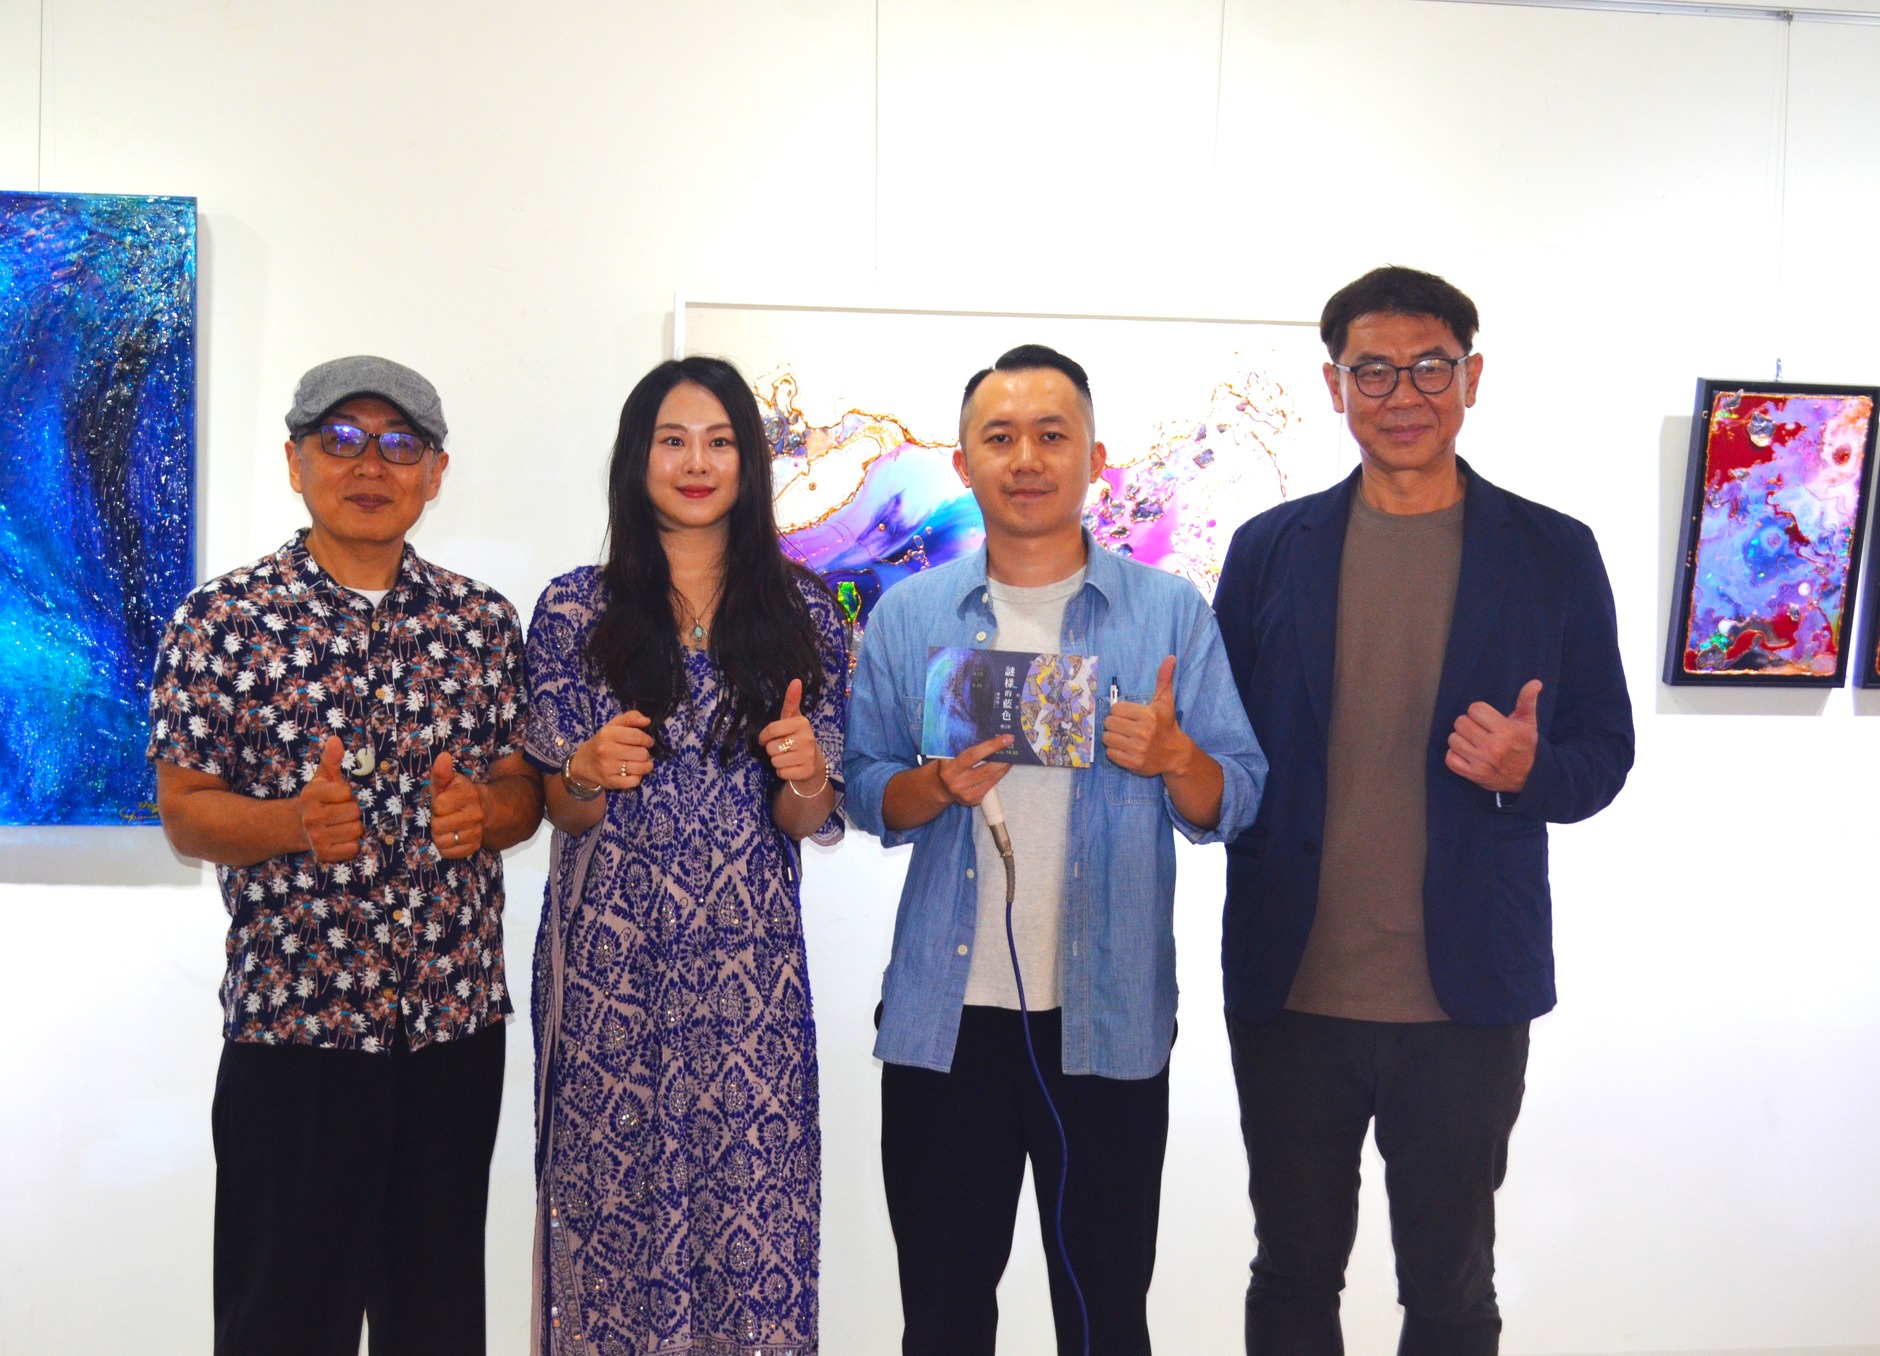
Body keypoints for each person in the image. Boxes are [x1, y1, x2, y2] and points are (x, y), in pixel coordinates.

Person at [1213, 267, 1636, 1355]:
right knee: (1291, 1273)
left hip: (1466, 995)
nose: (1403, 394)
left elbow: (1604, 752)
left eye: (1429, 368)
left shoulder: (1551, 552)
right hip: (1292, 985)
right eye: (1373, 371)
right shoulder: (1268, 550)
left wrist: (1528, 769)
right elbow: (1223, 755)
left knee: (1449, 1289)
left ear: (1472, 377)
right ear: (1334, 386)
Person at [845, 344, 1267, 1356]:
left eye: (1050, 435)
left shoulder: (1167, 612)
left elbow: (1238, 796)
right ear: (963, 464)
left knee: (1105, 1320)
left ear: (1094, 459)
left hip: (1107, 1018)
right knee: (941, 1323)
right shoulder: (909, 614)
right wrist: (932, 786)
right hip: (945, 1023)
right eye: (999, 438)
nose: (1026, 458)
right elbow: (863, 787)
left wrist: (1176, 757)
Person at [147, 355, 544, 1355]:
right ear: (295, 462)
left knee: (436, 1326)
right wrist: (291, 823)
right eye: (343, 440)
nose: (372, 466)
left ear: (435, 473)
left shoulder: (482, 624)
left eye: (400, 445)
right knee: (280, 1326)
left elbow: (522, 792)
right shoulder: (221, 621)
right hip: (297, 1033)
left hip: (450, 1032)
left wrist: (486, 814)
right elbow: (185, 812)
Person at [523, 356, 847, 1355]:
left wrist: (805, 773)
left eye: (718, 442)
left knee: (754, 1236)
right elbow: (559, 807)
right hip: (611, 979)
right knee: (612, 1234)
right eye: (673, 441)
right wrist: (582, 770)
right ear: (637, 458)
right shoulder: (574, 610)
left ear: (748, 462)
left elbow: (808, 816)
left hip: (750, 985)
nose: (696, 463)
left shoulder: (803, 614)